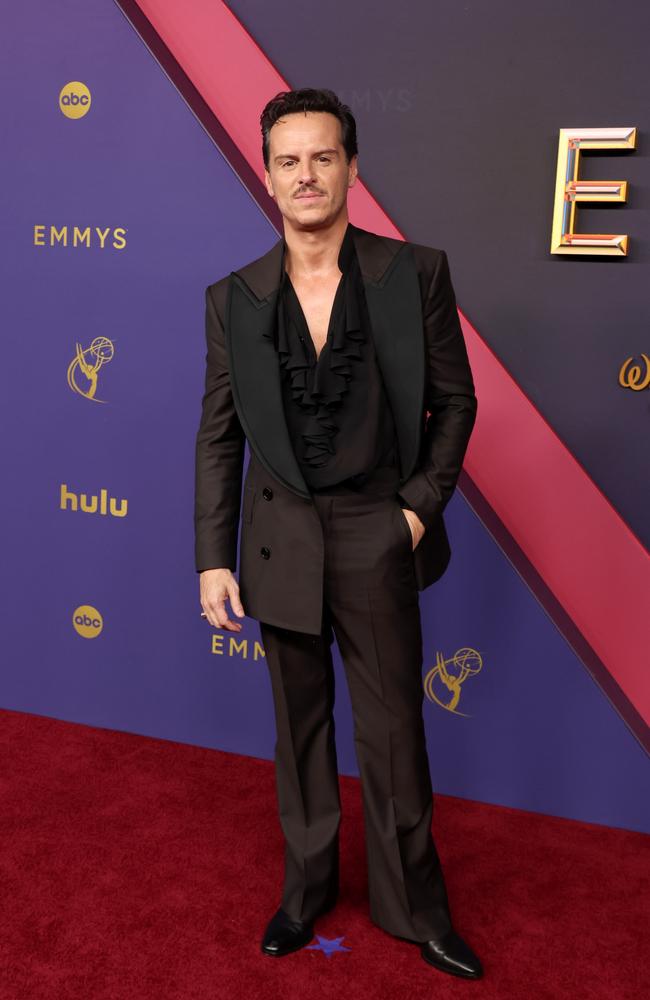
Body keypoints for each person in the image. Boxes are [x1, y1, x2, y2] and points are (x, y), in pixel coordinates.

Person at [194, 88, 481, 979]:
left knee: (395, 730)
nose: (306, 175)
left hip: (375, 527)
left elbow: (456, 402)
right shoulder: (233, 298)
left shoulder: (415, 272)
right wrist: (212, 557)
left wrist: (415, 507)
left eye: (323, 157)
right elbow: (219, 434)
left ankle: (414, 908)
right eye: (289, 160)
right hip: (280, 537)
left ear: (352, 168)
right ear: (268, 175)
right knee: (300, 728)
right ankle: (306, 891)